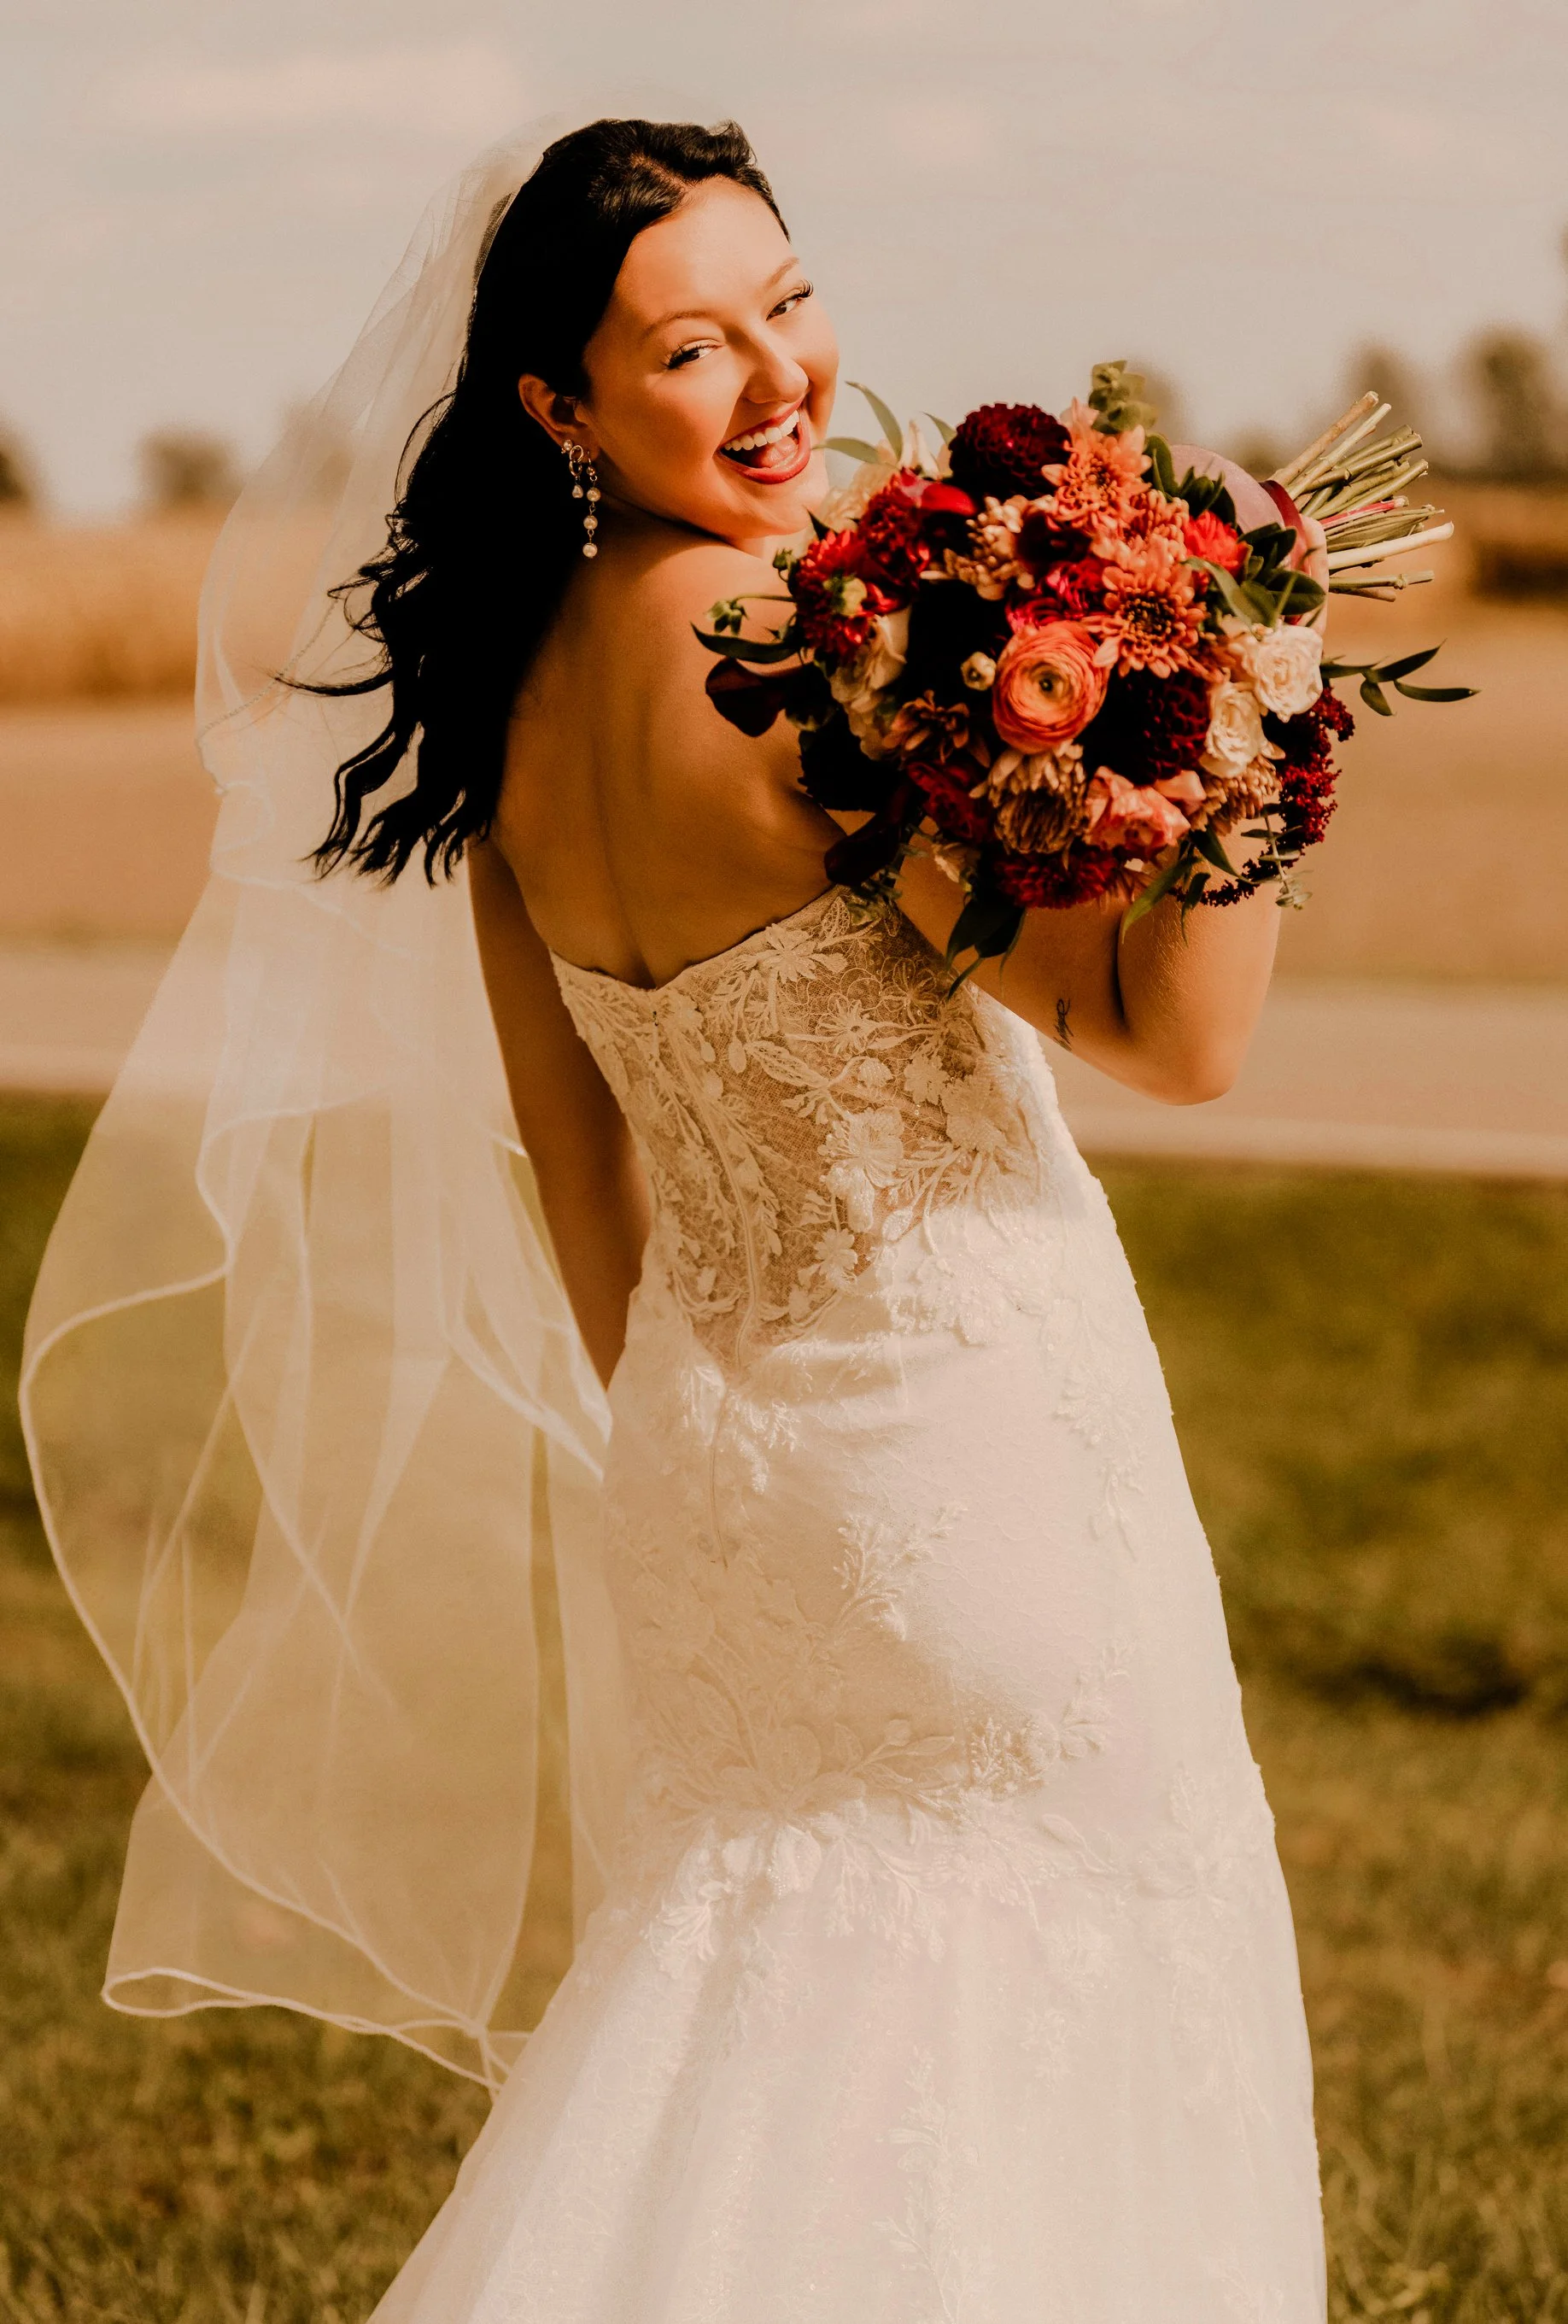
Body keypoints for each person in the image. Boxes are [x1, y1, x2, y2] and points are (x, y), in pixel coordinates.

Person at [24, 116, 1325, 2320]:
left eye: (788, 306)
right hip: (972, 1425)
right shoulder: (810, 644)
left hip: (718, 1451)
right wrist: (1258, 720)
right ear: (565, 407)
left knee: (757, 1981)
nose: (776, 383)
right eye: (691, 350)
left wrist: (700, 1415)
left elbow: (572, 1140)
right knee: (1058, 1969)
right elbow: (1172, 1041)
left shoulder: (512, 692)